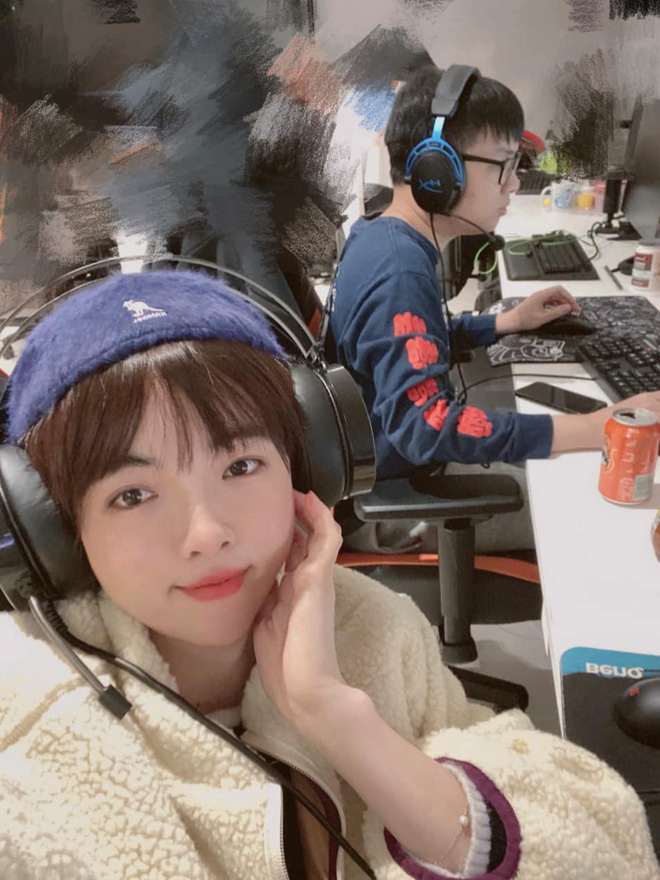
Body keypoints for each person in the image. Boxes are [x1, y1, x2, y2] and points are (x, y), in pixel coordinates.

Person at [0, 269, 657, 880]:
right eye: (133, 495)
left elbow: (598, 848)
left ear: (309, 467)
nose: (206, 534)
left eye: (240, 466)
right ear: (52, 530)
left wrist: (337, 716)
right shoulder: (25, 736)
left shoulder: (370, 625)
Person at [329, 65, 660, 552]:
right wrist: (596, 428)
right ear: (438, 170)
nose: (514, 184)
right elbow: (426, 427)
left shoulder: (380, 234)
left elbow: (412, 343)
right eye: (504, 165)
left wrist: (508, 321)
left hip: (393, 464)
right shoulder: (400, 274)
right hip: (397, 500)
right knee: (611, 514)